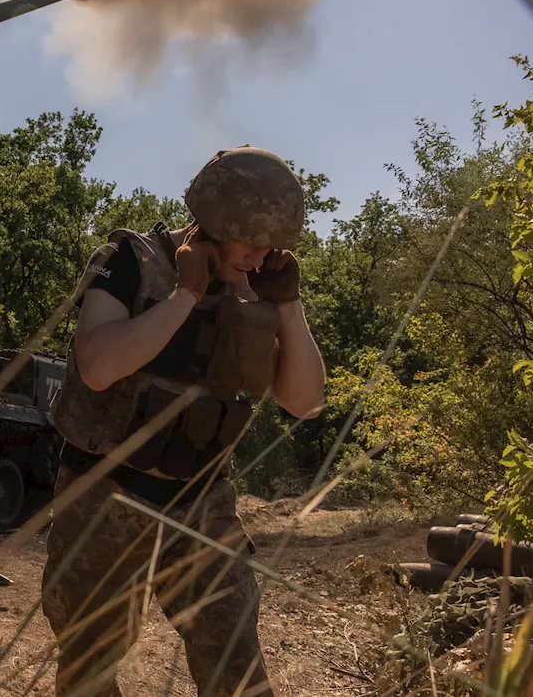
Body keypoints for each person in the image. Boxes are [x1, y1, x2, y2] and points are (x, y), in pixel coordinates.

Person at [41, 146, 327, 697]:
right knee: (88, 669)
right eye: (252, 240)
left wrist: (288, 308)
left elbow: (305, 402)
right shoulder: (129, 260)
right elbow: (98, 367)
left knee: (236, 669)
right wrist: (185, 295)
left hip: (202, 506)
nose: (262, 254)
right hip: (107, 497)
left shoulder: (254, 289)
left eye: (274, 245)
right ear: (215, 221)